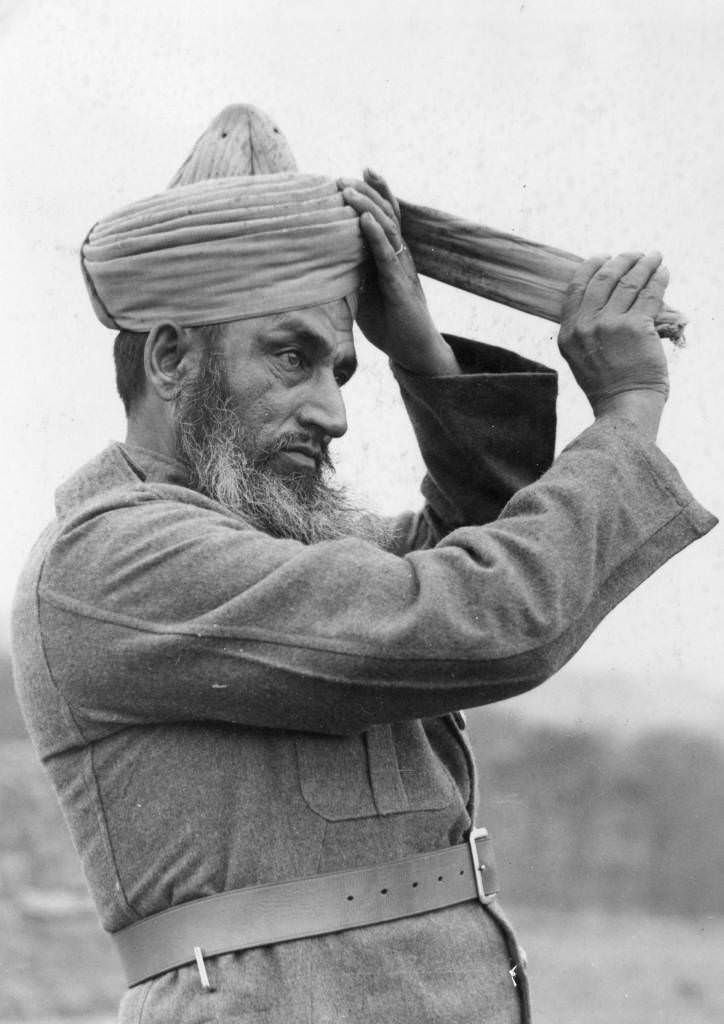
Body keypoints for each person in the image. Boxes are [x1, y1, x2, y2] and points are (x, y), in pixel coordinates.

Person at [11, 166, 715, 1024]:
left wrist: (423, 356)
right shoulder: (113, 558)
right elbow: (480, 616)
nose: (335, 412)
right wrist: (628, 414)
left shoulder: (276, 549)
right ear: (169, 358)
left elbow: (471, 544)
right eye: (292, 356)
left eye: (341, 369)